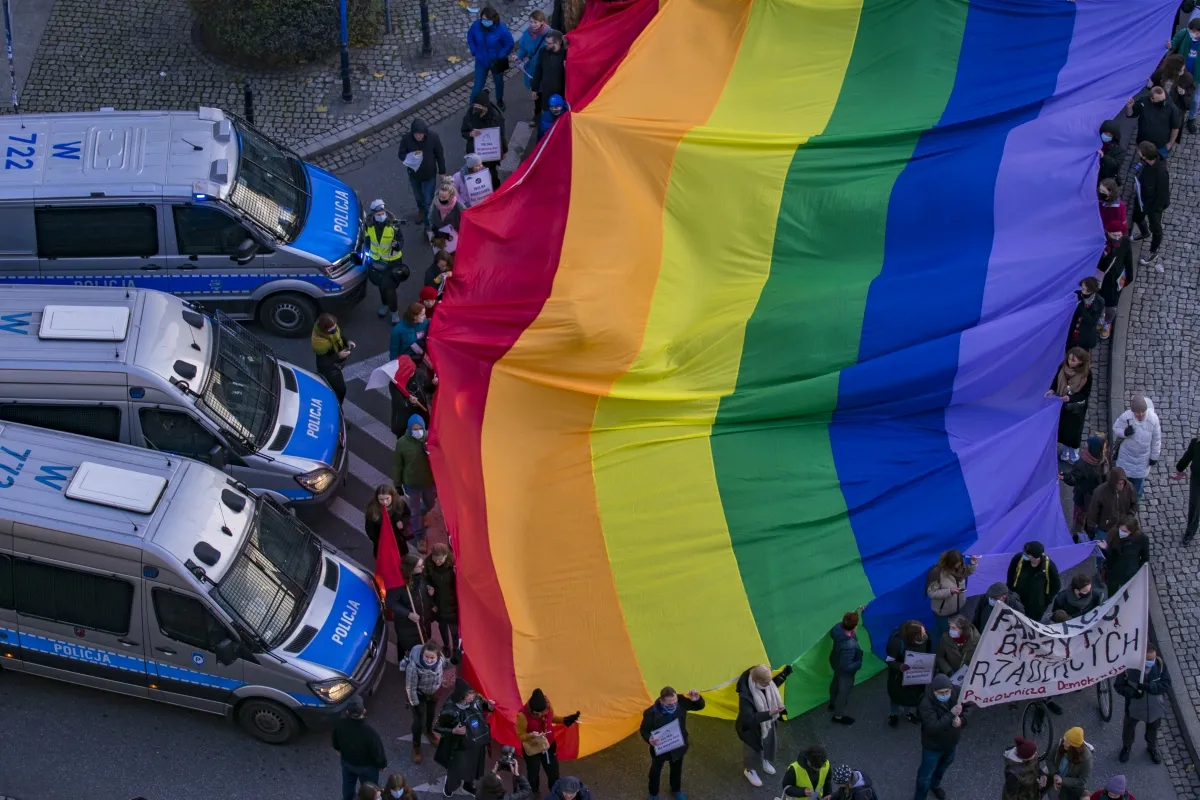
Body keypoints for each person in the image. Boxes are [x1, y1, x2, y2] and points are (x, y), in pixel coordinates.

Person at [639, 686, 704, 800]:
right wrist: (649, 739)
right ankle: (653, 794)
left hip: (678, 746)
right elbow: (644, 730)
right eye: (669, 704)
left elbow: (699, 706)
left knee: (676, 769)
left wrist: (697, 699)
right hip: (660, 748)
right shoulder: (650, 713)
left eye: (675, 702)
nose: (673, 705)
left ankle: (676, 790)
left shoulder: (681, 702)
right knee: (655, 771)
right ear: (661, 701)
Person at [434, 678, 496, 797]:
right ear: (461, 696)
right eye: (468, 694)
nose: (472, 696)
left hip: (476, 742)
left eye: (472, 693)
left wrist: (489, 706)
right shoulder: (450, 709)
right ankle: (449, 786)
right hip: (459, 746)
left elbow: (484, 705)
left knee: (473, 767)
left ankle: (468, 785)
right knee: (456, 770)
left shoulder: (476, 698)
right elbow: (437, 727)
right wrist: (453, 730)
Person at [735, 663, 793, 786]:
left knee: (768, 742)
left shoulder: (765, 683)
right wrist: (770, 713)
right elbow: (748, 718)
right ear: (756, 680)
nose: (769, 685)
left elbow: (772, 686)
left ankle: (764, 760)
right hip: (751, 729)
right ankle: (750, 770)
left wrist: (783, 675)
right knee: (752, 750)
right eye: (766, 683)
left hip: (767, 723)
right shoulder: (745, 695)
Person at [1115, 643, 1172, 763]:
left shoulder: (1159, 665)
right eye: (1148, 660)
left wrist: (1149, 687)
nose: (1151, 662)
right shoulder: (1129, 668)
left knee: (1153, 729)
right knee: (1129, 730)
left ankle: (1152, 748)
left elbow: (1166, 684)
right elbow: (1119, 686)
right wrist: (1133, 693)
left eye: (1153, 659)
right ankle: (1127, 747)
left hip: (1154, 708)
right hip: (1133, 708)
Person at [516, 689, 580, 793]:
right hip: (533, 748)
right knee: (533, 773)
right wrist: (530, 735)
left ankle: (554, 791)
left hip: (548, 745)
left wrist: (565, 720)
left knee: (553, 771)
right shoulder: (522, 716)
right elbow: (520, 734)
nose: (540, 715)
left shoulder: (547, 706)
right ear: (531, 709)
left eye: (542, 712)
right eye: (537, 713)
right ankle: (533, 792)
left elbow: (551, 718)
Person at [914, 674, 963, 800]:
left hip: (951, 743)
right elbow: (932, 727)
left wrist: (962, 720)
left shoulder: (958, 692)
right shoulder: (925, 703)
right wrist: (952, 715)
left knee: (943, 767)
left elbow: (969, 706)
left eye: (947, 691)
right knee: (924, 776)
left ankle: (935, 785)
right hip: (932, 746)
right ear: (933, 691)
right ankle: (920, 797)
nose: (945, 695)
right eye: (941, 693)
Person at [393, 415, 437, 550]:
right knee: (415, 513)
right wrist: (397, 484)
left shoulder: (431, 438)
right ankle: (420, 538)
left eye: (420, 429)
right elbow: (398, 466)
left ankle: (422, 514)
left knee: (430, 504)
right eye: (415, 429)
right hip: (411, 484)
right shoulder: (402, 444)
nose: (417, 431)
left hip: (429, 482)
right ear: (409, 429)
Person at [333, 696, 388, 800]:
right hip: (367, 768)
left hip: (347, 762)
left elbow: (335, 741)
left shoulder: (340, 725)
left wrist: (338, 749)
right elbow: (377, 751)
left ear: (347, 712)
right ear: (363, 710)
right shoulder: (369, 732)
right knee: (369, 792)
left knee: (348, 786)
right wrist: (382, 765)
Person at [1112, 393, 1162, 499]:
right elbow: (1116, 428)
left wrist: (1154, 457)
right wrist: (1124, 432)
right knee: (1123, 485)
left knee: (1137, 489)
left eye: (1142, 412)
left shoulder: (1153, 420)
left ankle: (1134, 506)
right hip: (1126, 458)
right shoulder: (1126, 417)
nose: (1140, 415)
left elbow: (1156, 440)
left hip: (1142, 461)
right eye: (1137, 413)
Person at [398, 119, 447, 227]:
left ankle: (427, 224)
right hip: (414, 175)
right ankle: (421, 210)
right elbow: (401, 154)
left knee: (428, 199)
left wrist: (442, 171)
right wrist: (409, 157)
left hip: (429, 175)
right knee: (418, 196)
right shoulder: (406, 139)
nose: (418, 136)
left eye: (420, 134)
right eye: (416, 134)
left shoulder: (433, 137)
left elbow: (439, 155)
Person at [1130, 142, 1170, 270]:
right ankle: (1144, 233)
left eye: (1140, 152)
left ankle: (1153, 251)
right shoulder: (1148, 163)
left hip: (1154, 205)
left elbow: (1162, 194)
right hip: (1143, 199)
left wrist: (1154, 209)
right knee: (1137, 216)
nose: (1138, 153)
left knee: (1156, 229)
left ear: (1145, 156)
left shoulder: (1161, 172)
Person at [365, 199, 408, 322]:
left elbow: (401, 241)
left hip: (392, 263)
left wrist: (397, 245)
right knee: (381, 287)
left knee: (390, 289)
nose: (381, 216)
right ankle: (385, 304)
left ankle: (394, 311)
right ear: (373, 215)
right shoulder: (369, 226)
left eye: (382, 213)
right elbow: (368, 241)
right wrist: (367, 256)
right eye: (378, 214)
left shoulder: (393, 226)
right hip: (376, 262)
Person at [405, 641, 447, 764]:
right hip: (419, 696)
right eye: (426, 657)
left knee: (431, 715)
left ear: (437, 656)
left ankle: (428, 732)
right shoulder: (413, 668)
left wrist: (454, 660)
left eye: (432, 657)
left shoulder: (441, 659)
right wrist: (415, 704)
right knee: (418, 722)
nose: (429, 660)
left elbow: (446, 663)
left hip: (433, 694)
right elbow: (410, 688)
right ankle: (416, 746)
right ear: (422, 654)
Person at [388, 554, 433, 663]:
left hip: (422, 619)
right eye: (419, 566)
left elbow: (424, 583)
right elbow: (390, 602)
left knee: (421, 641)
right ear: (411, 569)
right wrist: (408, 614)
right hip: (407, 624)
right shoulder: (399, 585)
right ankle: (404, 662)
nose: (422, 568)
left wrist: (428, 587)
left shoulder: (421, 576)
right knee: (406, 645)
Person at [1062, 435, 1109, 541]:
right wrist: (1067, 477)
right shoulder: (1082, 464)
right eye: (1104, 447)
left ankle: (1090, 535)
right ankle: (1075, 537)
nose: (1106, 449)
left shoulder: (1103, 460)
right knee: (1079, 521)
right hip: (1083, 499)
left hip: (1098, 498)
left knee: (1092, 520)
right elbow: (1074, 478)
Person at [886, 620, 932, 726]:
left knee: (910, 695)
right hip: (899, 676)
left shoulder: (925, 637)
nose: (924, 635)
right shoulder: (897, 643)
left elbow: (928, 652)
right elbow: (889, 660)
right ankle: (894, 714)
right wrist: (900, 666)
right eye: (921, 634)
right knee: (896, 696)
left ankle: (907, 712)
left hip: (914, 675)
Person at [467, 7, 514, 110]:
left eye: (488, 20)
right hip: (481, 61)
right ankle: (472, 106)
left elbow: (509, 43)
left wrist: (501, 55)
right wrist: (474, 50)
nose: (485, 22)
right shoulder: (476, 25)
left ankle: (499, 99)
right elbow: (470, 37)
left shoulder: (501, 29)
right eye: (483, 19)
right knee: (478, 86)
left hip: (496, 62)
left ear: (494, 19)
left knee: (499, 83)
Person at [1006, 540, 1061, 626]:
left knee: (1030, 624)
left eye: (1027, 554)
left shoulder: (1048, 566)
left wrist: (1046, 601)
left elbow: (1056, 585)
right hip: (1018, 598)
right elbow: (1011, 574)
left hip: (1036, 605)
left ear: (1035, 557)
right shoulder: (1018, 559)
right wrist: (1010, 592)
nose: (1023, 554)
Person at [1097, 211, 1133, 341]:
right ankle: (1100, 317)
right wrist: (1107, 255)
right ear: (1108, 233)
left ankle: (1107, 323)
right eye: (1114, 235)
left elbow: (1128, 258)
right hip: (1102, 279)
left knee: (1112, 305)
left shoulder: (1124, 241)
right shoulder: (1102, 245)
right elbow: (1099, 266)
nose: (1117, 237)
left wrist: (1130, 276)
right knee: (1099, 299)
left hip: (1116, 279)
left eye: (1119, 234)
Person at [926, 549, 978, 639]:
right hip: (943, 613)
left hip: (959, 609)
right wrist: (950, 591)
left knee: (957, 634)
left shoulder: (960, 567)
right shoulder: (937, 573)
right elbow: (931, 593)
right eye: (956, 564)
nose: (958, 566)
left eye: (960, 563)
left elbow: (965, 573)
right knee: (944, 636)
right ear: (949, 563)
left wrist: (973, 564)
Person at [461, 90, 507, 187]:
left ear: (485, 106)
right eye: (475, 106)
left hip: (490, 156)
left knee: (492, 176)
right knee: (477, 178)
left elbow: (501, 135)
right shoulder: (470, 115)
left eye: (479, 107)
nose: (476, 110)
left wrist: (503, 151)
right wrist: (470, 134)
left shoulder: (495, 116)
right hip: (475, 153)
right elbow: (463, 132)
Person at [1100, 516, 1150, 600]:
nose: (1121, 532)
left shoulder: (1142, 539)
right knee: (1111, 596)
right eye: (1120, 529)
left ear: (1132, 531)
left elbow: (1145, 558)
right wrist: (1105, 549)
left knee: (1128, 597)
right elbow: (1109, 556)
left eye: (1124, 531)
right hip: (1113, 572)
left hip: (1129, 574)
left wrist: (1136, 569)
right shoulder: (1113, 534)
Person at [828, 610, 864, 725]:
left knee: (835, 683)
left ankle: (832, 703)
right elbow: (847, 666)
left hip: (835, 663)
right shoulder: (850, 645)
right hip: (845, 672)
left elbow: (845, 625)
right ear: (855, 626)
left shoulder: (837, 630)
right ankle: (838, 715)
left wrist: (856, 612)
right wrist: (858, 663)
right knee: (843, 692)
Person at [311, 313, 353, 405]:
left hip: (335, 363)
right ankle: (336, 407)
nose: (334, 330)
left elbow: (339, 335)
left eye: (335, 327)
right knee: (340, 390)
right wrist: (338, 356)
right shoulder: (319, 343)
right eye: (331, 329)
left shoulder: (330, 330)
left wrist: (347, 341)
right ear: (324, 330)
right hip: (329, 370)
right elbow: (323, 362)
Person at [1125, 87, 1181, 156]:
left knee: (1160, 160)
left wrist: (1170, 143)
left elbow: (1175, 128)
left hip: (1161, 145)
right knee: (1143, 157)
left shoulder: (1172, 108)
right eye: (1160, 101)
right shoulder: (1143, 101)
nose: (1163, 102)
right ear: (1151, 99)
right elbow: (1130, 114)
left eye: (1164, 99)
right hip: (1143, 142)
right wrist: (1129, 107)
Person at [427, 542, 460, 658]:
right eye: (435, 559)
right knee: (442, 627)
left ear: (446, 556)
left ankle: (456, 647)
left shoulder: (454, 565)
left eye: (440, 560)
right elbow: (424, 580)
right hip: (438, 603)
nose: (437, 562)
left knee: (454, 630)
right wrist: (428, 587)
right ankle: (446, 646)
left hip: (452, 604)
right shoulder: (428, 564)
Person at [1086, 467, 1138, 540]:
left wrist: (1129, 516)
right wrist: (1091, 527)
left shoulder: (1129, 487)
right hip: (1105, 528)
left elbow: (1134, 503)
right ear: (1113, 482)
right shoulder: (1100, 492)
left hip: (1122, 527)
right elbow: (1093, 511)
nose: (1121, 486)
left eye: (1122, 483)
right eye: (1118, 483)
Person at [389, 354, 435, 435]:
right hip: (404, 419)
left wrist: (433, 384)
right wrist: (410, 401)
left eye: (413, 371)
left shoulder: (419, 373)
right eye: (409, 372)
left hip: (421, 415)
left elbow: (428, 388)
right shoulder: (394, 384)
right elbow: (398, 403)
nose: (412, 373)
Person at [1168, 17, 1200, 132]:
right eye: (1190, 30)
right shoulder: (1185, 33)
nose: (1192, 33)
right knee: (1175, 94)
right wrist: (1170, 45)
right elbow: (1174, 43)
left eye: (1194, 31)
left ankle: (1191, 119)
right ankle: (1173, 117)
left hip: (1197, 77)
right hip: (1181, 74)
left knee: (1195, 100)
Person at [517, 11, 550, 115]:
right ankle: (537, 113)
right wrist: (518, 56)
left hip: (545, 71)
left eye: (535, 22)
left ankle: (547, 112)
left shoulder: (550, 34)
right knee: (536, 94)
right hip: (531, 70)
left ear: (542, 22)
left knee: (545, 92)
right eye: (530, 22)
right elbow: (523, 48)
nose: (532, 25)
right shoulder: (527, 33)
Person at [364, 484, 411, 558]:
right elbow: (369, 529)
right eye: (381, 499)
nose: (385, 502)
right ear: (377, 498)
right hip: (382, 540)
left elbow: (407, 514)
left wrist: (403, 522)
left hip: (398, 539)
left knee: (402, 556)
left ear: (392, 496)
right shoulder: (372, 509)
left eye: (387, 498)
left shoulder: (400, 504)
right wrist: (378, 541)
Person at [1048, 727, 1093, 800]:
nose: (1064, 743)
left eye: (1068, 743)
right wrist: (1054, 774)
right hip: (1054, 775)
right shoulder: (1061, 744)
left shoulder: (1086, 759)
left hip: (1069, 787)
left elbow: (1083, 780)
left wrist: (1063, 780)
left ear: (1075, 747)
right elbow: (1049, 759)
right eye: (1065, 739)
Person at [531, 31, 566, 115]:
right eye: (545, 42)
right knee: (547, 115)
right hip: (546, 92)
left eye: (548, 43)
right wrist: (534, 89)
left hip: (561, 92)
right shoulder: (543, 52)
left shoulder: (566, 54)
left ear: (557, 43)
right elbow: (538, 70)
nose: (546, 44)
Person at [1173, 435, 1200, 543]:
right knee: (1194, 506)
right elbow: (1188, 455)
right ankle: (1190, 532)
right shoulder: (1196, 442)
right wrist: (1180, 467)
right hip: (1197, 480)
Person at [934, 615, 978, 679]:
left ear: (963, 629)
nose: (950, 630)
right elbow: (939, 657)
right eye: (950, 627)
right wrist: (948, 671)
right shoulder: (945, 638)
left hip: (971, 676)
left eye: (953, 628)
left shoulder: (976, 641)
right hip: (952, 675)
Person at [1066, 281, 1104, 354]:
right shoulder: (1079, 294)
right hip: (1074, 329)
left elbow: (1091, 321)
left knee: (1082, 353)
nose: (1081, 290)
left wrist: (1081, 306)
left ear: (1090, 291)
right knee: (1069, 348)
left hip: (1085, 333)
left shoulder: (1098, 302)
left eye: (1083, 289)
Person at [428, 180, 465, 252]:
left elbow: (466, 217)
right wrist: (434, 229)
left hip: (454, 236)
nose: (441, 199)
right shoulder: (435, 201)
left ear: (451, 197)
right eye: (440, 196)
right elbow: (430, 216)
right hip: (439, 234)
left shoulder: (458, 205)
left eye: (444, 197)